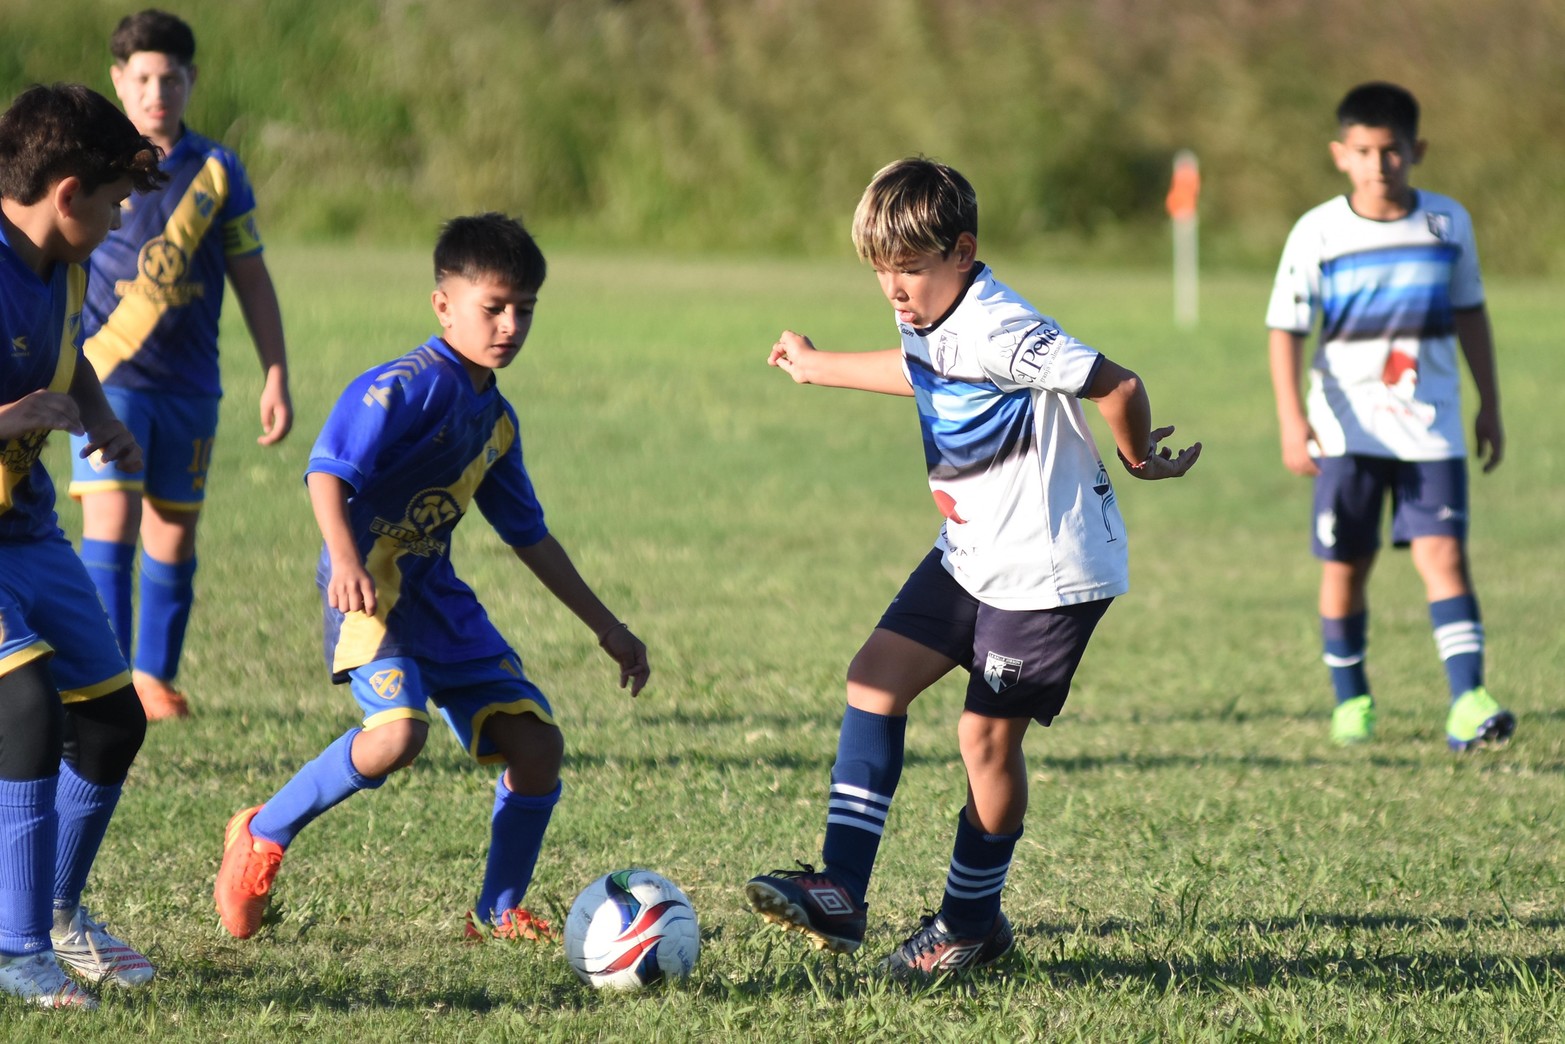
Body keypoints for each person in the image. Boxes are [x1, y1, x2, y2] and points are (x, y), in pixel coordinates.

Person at [743, 157, 1200, 977]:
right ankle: (841, 888)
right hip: (972, 551)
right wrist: (818, 366)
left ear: (963, 250)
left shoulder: (1001, 325)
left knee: (983, 740)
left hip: (1045, 567)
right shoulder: (934, 312)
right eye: (881, 270)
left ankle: (969, 924)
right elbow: (923, 371)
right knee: (874, 677)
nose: (893, 288)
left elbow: (1117, 383)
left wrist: (1136, 459)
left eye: (909, 269)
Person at [214, 212, 650, 944]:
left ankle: (496, 910)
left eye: (524, 312)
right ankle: (261, 832)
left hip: (437, 597)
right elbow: (326, 471)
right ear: (443, 304)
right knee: (394, 736)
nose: (509, 325)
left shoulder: (497, 420)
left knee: (537, 746)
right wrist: (346, 560)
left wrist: (607, 627)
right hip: (371, 587)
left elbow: (529, 535)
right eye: (493, 308)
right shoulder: (403, 386)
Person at [1266, 82, 1512, 751]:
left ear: (1416, 151)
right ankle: (1352, 702)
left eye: (1393, 150)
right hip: (1347, 433)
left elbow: (1469, 314)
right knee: (1346, 565)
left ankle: (1466, 700)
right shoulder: (1317, 231)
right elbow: (1285, 329)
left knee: (1445, 558)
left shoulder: (1446, 224)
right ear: (1340, 154)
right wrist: (1293, 421)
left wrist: (1488, 402)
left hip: (1430, 429)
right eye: (1365, 150)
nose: (1380, 164)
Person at [68, 9, 293, 722]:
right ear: (118, 81)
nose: (156, 92)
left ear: (191, 81)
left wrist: (276, 371)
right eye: (143, 78)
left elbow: (251, 276)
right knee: (113, 521)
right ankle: (106, 681)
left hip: (193, 386)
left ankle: (154, 680)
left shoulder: (218, 171)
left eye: (171, 78)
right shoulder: (92, 166)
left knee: (174, 529)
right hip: (105, 376)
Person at [0, 82, 167, 1009]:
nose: (116, 222)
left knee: (110, 720)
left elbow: (73, 356)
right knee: (23, 705)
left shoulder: (57, 266)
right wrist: (17, 416)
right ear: (67, 193)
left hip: (24, 529)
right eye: (110, 204)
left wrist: (96, 414)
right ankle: (14, 949)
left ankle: (59, 914)